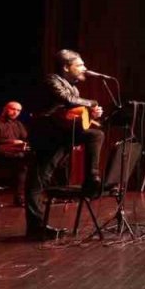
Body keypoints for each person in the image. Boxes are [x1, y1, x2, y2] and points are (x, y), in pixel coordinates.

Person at [24, 50, 105, 240]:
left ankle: (92, 177)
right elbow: (66, 101)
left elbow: (72, 113)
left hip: (61, 135)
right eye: (80, 65)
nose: (85, 68)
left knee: (95, 134)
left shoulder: (73, 87)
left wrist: (90, 114)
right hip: (47, 135)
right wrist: (92, 103)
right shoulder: (52, 80)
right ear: (66, 67)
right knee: (37, 181)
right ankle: (35, 228)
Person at [0, 100, 30, 206]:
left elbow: (26, 138)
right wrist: (12, 141)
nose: (16, 112)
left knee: (36, 161)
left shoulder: (18, 124)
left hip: (17, 153)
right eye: (13, 109)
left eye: (18, 110)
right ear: (5, 109)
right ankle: (19, 198)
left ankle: (32, 196)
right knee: (22, 165)